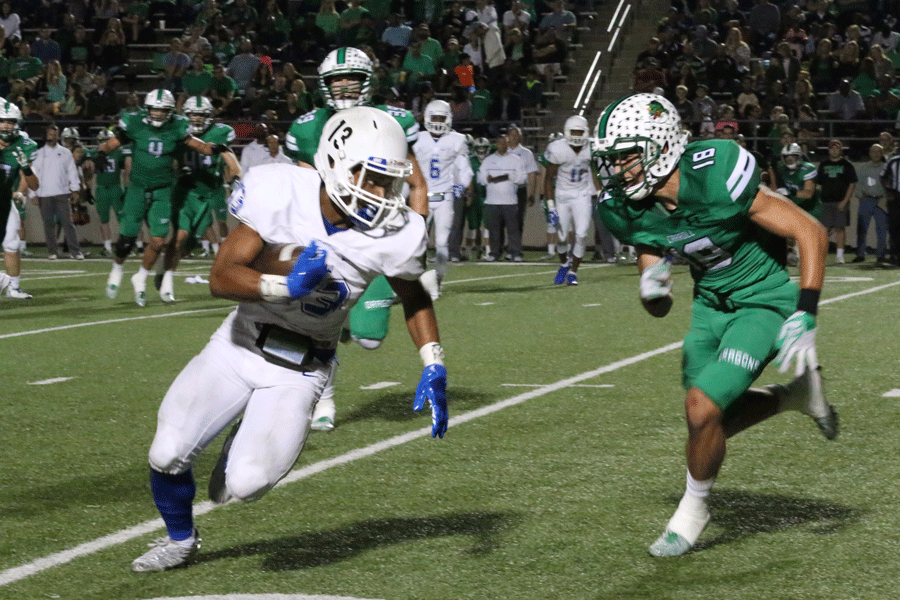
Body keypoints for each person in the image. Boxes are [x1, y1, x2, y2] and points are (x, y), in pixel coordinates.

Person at [130, 107, 448, 572]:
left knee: (248, 483)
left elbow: (414, 295)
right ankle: (181, 539)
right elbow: (222, 276)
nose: (382, 193)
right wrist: (284, 284)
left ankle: (243, 434)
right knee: (167, 453)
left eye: (388, 182)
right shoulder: (278, 189)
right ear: (337, 162)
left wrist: (433, 361)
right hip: (238, 343)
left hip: (302, 368)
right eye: (374, 178)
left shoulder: (393, 232)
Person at [591, 92, 837, 557]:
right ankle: (797, 396)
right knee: (703, 418)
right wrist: (651, 283)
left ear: (662, 145)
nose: (617, 170)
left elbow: (811, 230)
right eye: (611, 160)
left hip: (764, 300)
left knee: (702, 408)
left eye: (627, 157)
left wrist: (806, 310)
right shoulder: (626, 208)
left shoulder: (715, 173)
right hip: (709, 305)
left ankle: (693, 509)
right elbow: (654, 268)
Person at [283, 47, 430, 431]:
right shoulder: (308, 127)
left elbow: (416, 183)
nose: (344, 86)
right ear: (324, 85)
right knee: (315, 320)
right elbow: (302, 188)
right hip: (330, 234)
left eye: (351, 78)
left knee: (368, 338)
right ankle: (323, 399)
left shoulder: (393, 119)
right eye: (336, 79)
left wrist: (416, 233)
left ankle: (355, 315)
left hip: (378, 232)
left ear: (369, 82)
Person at [96, 89, 231, 306]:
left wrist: (222, 149)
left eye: (162, 110)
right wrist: (101, 153)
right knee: (126, 240)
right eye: (155, 109)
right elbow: (113, 143)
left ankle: (140, 276)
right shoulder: (135, 123)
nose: (158, 114)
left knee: (158, 240)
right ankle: (117, 269)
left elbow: (202, 147)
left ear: (169, 111)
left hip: (163, 190)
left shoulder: (177, 127)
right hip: (137, 188)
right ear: (148, 109)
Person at [156, 96, 240, 302]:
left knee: (188, 244)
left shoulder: (220, 133)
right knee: (181, 236)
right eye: (193, 114)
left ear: (209, 116)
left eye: (201, 114)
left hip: (208, 193)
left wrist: (237, 177)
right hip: (185, 192)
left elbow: (228, 156)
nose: (196, 118)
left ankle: (163, 268)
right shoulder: (177, 130)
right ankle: (167, 282)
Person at [413, 99, 470, 282]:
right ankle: (416, 278)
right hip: (421, 196)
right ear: (427, 118)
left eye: (441, 118)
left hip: (444, 196)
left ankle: (438, 280)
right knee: (417, 242)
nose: (437, 122)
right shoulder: (417, 138)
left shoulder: (457, 139)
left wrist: (461, 184)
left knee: (441, 242)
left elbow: (465, 168)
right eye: (434, 117)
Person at [543, 115, 592, 286]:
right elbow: (548, 179)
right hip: (562, 195)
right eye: (574, 131)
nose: (577, 135)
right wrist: (551, 207)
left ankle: (573, 272)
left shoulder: (591, 147)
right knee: (562, 237)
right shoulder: (557, 148)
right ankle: (564, 263)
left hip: (582, 194)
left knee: (581, 234)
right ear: (566, 132)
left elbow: (596, 171)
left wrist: (599, 192)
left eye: (580, 132)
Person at [0, 98, 38, 298]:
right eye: (3, 121)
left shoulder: (24, 144)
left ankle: (13, 287)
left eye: (11, 121)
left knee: (12, 244)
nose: (7, 125)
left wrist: (21, 193)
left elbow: (31, 182)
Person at [33, 124, 84, 261]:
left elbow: (72, 171)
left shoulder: (66, 152)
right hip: (44, 194)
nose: (52, 136)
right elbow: (34, 174)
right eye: (49, 133)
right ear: (46, 135)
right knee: (48, 224)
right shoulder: (38, 153)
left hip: (62, 192)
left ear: (58, 135)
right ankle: (52, 251)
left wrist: (75, 188)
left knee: (68, 223)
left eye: (54, 134)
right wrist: (33, 193)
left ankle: (75, 251)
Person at [478, 133, 526, 261]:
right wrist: (486, 179)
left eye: (504, 142)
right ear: (496, 145)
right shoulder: (488, 160)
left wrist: (510, 177)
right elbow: (480, 178)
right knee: (494, 230)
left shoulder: (516, 160)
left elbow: (522, 178)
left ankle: (515, 253)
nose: (502, 145)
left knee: (513, 229)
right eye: (499, 143)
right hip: (492, 202)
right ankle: (494, 253)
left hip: (510, 202)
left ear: (508, 144)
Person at [86, 128, 129, 257]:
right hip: (102, 189)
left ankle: (125, 245)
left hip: (115, 187)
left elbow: (128, 168)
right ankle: (107, 247)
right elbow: (85, 163)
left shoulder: (120, 152)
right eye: (102, 141)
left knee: (123, 219)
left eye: (107, 141)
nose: (105, 144)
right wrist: (87, 188)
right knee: (103, 219)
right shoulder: (94, 153)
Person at [816, 139, 856, 264]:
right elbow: (818, 184)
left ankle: (839, 255)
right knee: (824, 229)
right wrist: (818, 200)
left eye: (837, 148)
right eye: (832, 148)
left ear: (840, 150)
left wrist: (845, 200)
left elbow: (852, 184)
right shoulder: (823, 164)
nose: (834, 150)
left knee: (840, 228)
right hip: (826, 201)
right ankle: (821, 254)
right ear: (829, 150)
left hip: (840, 201)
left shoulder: (847, 164)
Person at [505, 124, 539, 250]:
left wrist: (531, 193)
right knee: (502, 219)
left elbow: (531, 174)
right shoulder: (502, 151)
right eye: (512, 135)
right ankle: (500, 247)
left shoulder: (526, 153)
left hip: (519, 189)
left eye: (516, 134)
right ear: (507, 136)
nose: (514, 137)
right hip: (503, 190)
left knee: (517, 219)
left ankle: (514, 247)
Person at [854, 143, 889, 264]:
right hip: (866, 199)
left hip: (881, 200)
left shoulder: (886, 167)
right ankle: (860, 254)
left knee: (882, 229)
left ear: (882, 153)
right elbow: (857, 184)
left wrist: (885, 198)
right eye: (873, 151)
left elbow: (889, 184)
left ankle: (881, 254)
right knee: (862, 228)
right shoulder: (863, 168)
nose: (875, 154)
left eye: (878, 152)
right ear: (869, 153)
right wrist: (861, 196)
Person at [882, 144, 900, 265]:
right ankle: (895, 255)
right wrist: (888, 191)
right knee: (894, 227)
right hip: (896, 197)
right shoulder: (893, 161)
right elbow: (883, 177)